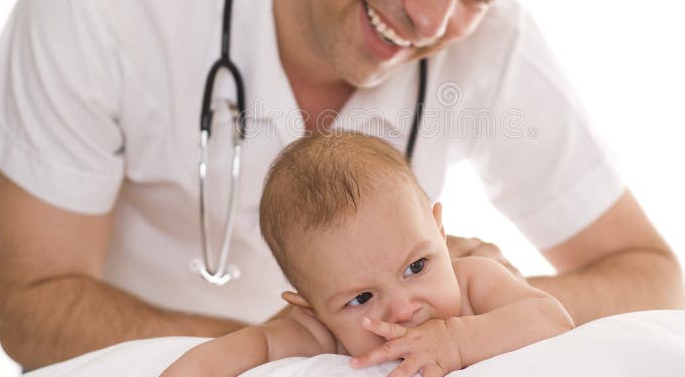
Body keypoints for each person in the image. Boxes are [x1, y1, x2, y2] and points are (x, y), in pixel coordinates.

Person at [0, 0, 685, 370]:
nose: (433, 21)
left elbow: (653, 278)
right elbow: (33, 303)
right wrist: (298, 349)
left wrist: (465, 301)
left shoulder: (494, 47)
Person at [162, 132, 574, 376]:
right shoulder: (321, 331)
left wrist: (457, 341)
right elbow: (253, 347)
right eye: (360, 298)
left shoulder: (473, 283)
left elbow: (551, 320)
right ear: (310, 307)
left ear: (440, 231)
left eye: (416, 266)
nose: (401, 308)